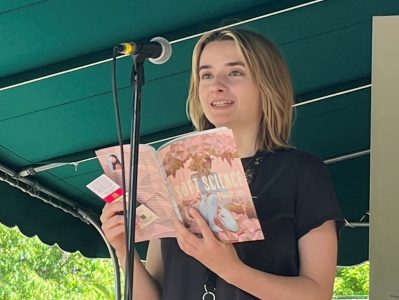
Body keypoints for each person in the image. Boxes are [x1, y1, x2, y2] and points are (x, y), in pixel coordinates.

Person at [100, 28, 344, 300]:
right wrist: (124, 250)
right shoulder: (176, 172)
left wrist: (231, 269)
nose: (216, 85)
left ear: (267, 83)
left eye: (234, 72)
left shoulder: (303, 172)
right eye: (206, 75)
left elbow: (318, 293)